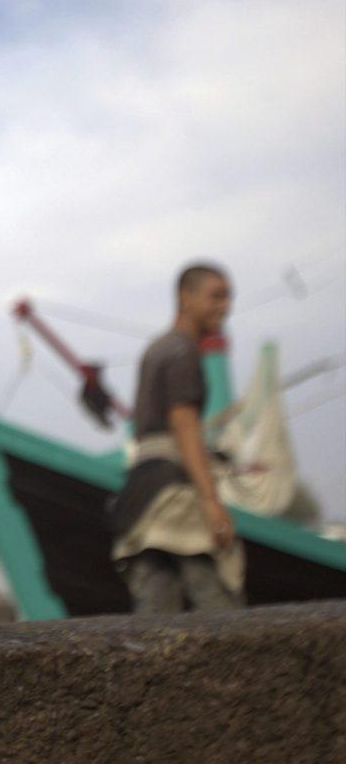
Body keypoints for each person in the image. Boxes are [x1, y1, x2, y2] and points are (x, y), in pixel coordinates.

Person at [110, 262, 245, 613]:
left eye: (228, 297)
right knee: (219, 601)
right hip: (175, 489)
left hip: (143, 492)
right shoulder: (184, 351)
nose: (225, 306)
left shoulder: (157, 348)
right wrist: (211, 501)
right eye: (216, 296)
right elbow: (184, 426)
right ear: (185, 297)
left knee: (156, 608)